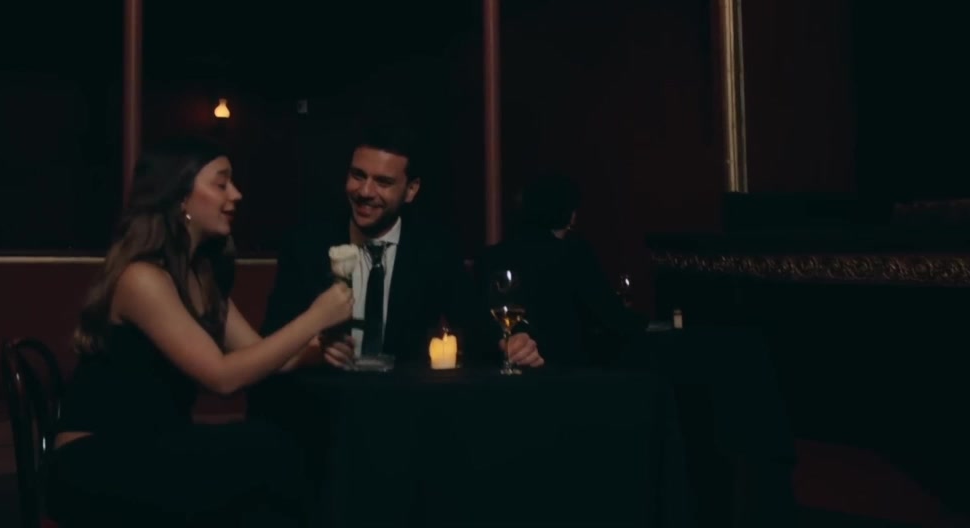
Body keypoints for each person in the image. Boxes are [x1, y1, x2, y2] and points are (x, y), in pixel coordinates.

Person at [49, 138, 353, 527]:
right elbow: (223, 377)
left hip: (159, 446)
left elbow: (258, 354)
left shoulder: (202, 275)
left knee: (278, 466)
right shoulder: (142, 279)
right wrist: (315, 318)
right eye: (222, 183)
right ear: (179, 197)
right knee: (268, 449)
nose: (236, 194)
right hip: (97, 459)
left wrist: (315, 350)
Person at [263, 123, 543, 369]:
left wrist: (511, 342)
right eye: (358, 175)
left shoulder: (434, 248)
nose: (365, 191)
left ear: (411, 190)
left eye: (383, 182)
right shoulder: (307, 244)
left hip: (401, 399)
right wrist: (313, 348)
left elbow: (475, 324)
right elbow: (271, 338)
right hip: (322, 397)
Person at [476, 173, 647, 367]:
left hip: (500, 369)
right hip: (564, 372)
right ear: (571, 214)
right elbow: (608, 314)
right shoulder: (574, 252)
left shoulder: (493, 255)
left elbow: (480, 322)